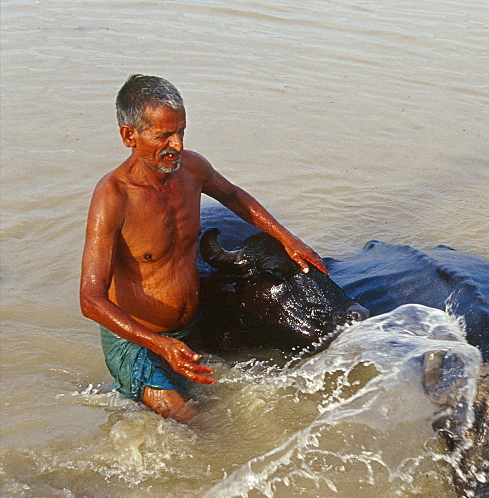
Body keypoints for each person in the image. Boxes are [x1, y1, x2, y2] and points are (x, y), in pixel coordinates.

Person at [80, 74, 327, 424]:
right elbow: (90, 299)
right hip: (138, 343)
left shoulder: (192, 169)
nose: (177, 145)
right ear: (129, 136)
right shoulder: (113, 197)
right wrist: (159, 344)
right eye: (164, 135)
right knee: (202, 424)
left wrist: (289, 239)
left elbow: (234, 196)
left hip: (186, 332)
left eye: (181, 131)